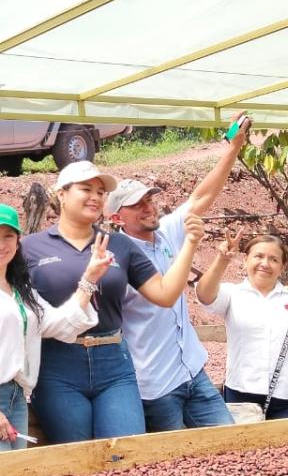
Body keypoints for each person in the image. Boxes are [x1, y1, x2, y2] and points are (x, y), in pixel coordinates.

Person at [21, 162, 205, 443]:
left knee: (125, 451)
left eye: (100, 192)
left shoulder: (119, 244)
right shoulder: (30, 247)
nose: (95, 197)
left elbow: (165, 294)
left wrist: (190, 244)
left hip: (113, 362)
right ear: (62, 194)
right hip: (58, 363)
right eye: (86, 189)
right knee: (76, 452)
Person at [104, 114, 251, 432]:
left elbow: (202, 196)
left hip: (192, 370)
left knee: (229, 442)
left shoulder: (167, 231)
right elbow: (162, 296)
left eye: (149, 199)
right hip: (156, 384)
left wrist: (233, 147)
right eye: (137, 205)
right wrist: (193, 243)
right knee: (175, 458)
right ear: (116, 218)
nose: (149, 207)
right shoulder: (115, 257)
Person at [0, 203, 108, 455]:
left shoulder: (20, 288)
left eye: (8, 236)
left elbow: (57, 323)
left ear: (17, 242)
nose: (0, 244)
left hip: (16, 396)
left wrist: (89, 279)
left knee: (18, 474)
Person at [196, 232, 288, 420]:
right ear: (245, 260)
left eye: (274, 259)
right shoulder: (232, 295)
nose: (265, 264)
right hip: (241, 393)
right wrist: (222, 259)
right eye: (258, 256)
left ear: (282, 267)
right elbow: (204, 295)